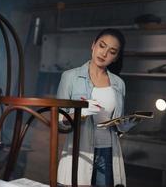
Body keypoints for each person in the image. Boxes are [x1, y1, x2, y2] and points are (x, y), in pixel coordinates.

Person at [57, 28, 137, 187]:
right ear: (93, 45)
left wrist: (124, 126)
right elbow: (60, 123)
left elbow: (117, 127)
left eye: (112, 51)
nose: (104, 53)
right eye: (102, 46)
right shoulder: (70, 77)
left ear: (115, 57)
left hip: (108, 151)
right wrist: (82, 112)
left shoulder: (119, 84)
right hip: (80, 151)